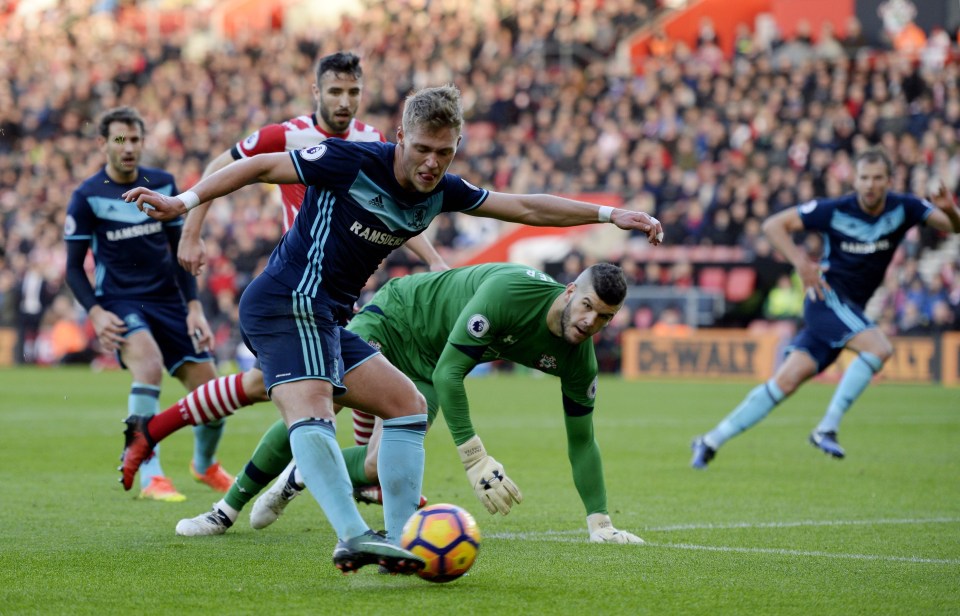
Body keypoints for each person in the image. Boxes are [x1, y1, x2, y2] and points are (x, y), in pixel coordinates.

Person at [122, 85, 662, 574]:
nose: (432, 163)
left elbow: (522, 205)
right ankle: (352, 535)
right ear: (401, 136)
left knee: (408, 406)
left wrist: (609, 214)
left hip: (330, 317)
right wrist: (183, 202)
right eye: (423, 149)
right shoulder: (350, 159)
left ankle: (403, 542)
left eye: (445, 153)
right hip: (287, 301)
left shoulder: (442, 190)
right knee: (309, 409)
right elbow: (262, 166)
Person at [119, 52, 445, 507]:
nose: (345, 101)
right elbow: (221, 165)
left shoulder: (376, 142)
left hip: (343, 284)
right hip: (298, 282)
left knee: (309, 386)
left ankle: (156, 436)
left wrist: (433, 259)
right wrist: (191, 229)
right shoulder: (287, 134)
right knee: (331, 386)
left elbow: (401, 212)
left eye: (353, 92)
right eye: (335, 91)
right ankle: (341, 483)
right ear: (317, 92)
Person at [176, 262, 644, 545]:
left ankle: (301, 472)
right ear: (570, 291)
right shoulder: (513, 291)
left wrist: (598, 521)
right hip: (398, 318)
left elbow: (583, 440)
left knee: (382, 465)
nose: (590, 321)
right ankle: (226, 509)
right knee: (319, 399)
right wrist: (473, 455)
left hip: (433, 361)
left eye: (603, 317)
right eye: (586, 306)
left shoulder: (580, 359)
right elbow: (452, 374)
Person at [690, 147, 960, 469]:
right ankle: (827, 427)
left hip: (848, 308)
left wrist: (951, 210)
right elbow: (773, 225)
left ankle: (710, 440)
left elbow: (953, 226)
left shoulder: (905, 208)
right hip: (826, 298)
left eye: (877, 178)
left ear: (889, 180)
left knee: (786, 381)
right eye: (864, 177)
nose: (870, 184)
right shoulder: (834, 209)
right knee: (879, 348)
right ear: (855, 180)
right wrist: (802, 263)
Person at [64, 106, 233, 501]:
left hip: (169, 301)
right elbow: (73, 269)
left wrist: (194, 307)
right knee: (149, 365)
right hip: (120, 302)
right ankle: (150, 473)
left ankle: (204, 465)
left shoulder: (162, 183)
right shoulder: (86, 196)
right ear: (103, 143)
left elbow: (182, 251)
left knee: (214, 397)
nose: (129, 148)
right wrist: (95, 311)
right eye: (120, 140)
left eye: (135, 139)